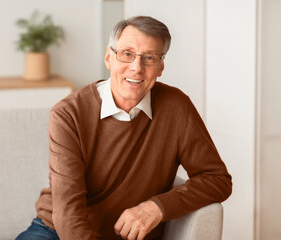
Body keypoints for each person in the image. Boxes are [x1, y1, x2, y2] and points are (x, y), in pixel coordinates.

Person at [16, 15, 232, 240]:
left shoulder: (177, 107)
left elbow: (217, 180)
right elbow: (68, 212)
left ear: (160, 67)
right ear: (109, 58)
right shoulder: (68, 113)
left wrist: (157, 207)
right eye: (127, 54)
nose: (136, 68)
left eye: (149, 58)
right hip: (58, 232)